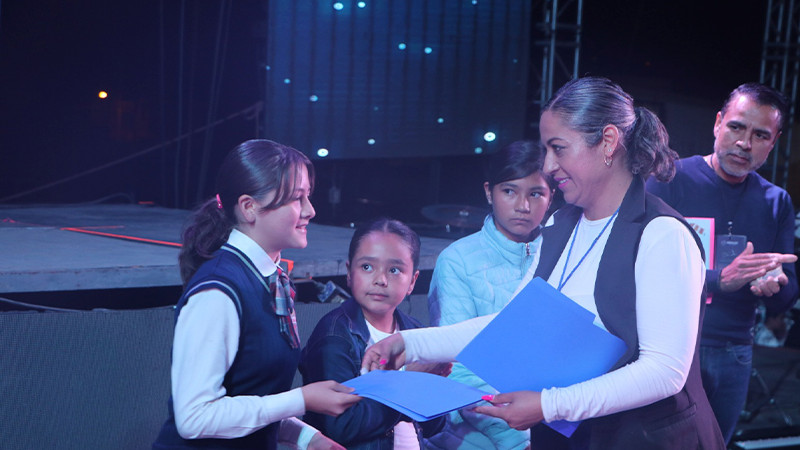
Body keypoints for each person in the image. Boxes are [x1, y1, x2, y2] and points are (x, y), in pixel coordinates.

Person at [361, 77, 726, 449]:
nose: (549, 165)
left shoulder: (662, 234)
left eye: (559, 149)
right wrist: (409, 342)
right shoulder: (559, 225)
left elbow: (664, 372)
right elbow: (511, 326)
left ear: (609, 142)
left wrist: (550, 405)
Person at [152, 139, 360, 450]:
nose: (310, 210)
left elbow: (251, 398)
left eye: (308, 196)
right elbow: (194, 418)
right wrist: (301, 399)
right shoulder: (218, 292)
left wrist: (309, 438)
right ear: (250, 207)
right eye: (296, 199)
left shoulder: (269, 278)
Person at [646, 82, 798, 443]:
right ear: (718, 124)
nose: (745, 143)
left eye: (760, 135)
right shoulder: (670, 179)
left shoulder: (776, 201)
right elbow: (643, 266)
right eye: (736, 127)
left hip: (734, 352)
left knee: (716, 443)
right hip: (671, 344)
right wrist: (718, 280)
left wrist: (774, 283)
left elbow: (785, 294)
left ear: (772, 142)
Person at [426, 140, 554, 450]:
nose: (523, 206)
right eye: (509, 191)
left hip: (550, 421)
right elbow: (456, 366)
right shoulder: (457, 260)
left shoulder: (559, 254)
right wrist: (518, 439)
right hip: (476, 433)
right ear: (488, 192)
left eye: (536, 193)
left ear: (551, 197)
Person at [299, 218, 450, 449]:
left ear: (412, 281)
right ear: (349, 272)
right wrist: (408, 382)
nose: (380, 280)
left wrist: (433, 384)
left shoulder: (415, 334)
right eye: (367, 267)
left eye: (394, 270)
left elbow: (434, 426)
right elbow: (341, 426)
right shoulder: (334, 337)